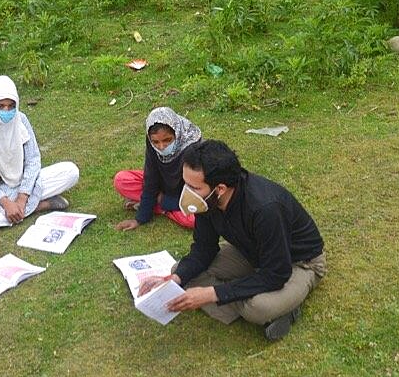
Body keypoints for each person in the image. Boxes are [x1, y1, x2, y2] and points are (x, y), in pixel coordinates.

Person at [138, 140, 326, 341]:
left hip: (298, 262)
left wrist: (212, 294)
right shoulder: (206, 201)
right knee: (181, 273)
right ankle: (252, 293)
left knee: (257, 307)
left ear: (220, 188)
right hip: (250, 251)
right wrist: (173, 280)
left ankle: (282, 307)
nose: (187, 193)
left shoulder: (264, 208)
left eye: (194, 187)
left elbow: (276, 273)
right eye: (186, 184)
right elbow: (204, 248)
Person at [0, 75, 80, 230]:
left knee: (71, 171)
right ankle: (39, 205)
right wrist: (6, 203)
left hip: (25, 183)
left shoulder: (20, 119)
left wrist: (22, 198)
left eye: (11, 106)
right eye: (1, 106)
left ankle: (20, 210)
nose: (7, 110)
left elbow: (33, 159)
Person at [113, 106, 202, 231]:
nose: (161, 146)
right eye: (156, 142)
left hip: (185, 194)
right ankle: (156, 206)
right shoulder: (152, 143)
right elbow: (151, 178)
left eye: (167, 140)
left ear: (177, 133)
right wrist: (140, 219)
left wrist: (163, 199)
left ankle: (159, 206)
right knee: (122, 180)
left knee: (194, 219)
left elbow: (198, 191)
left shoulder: (192, 147)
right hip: (161, 187)